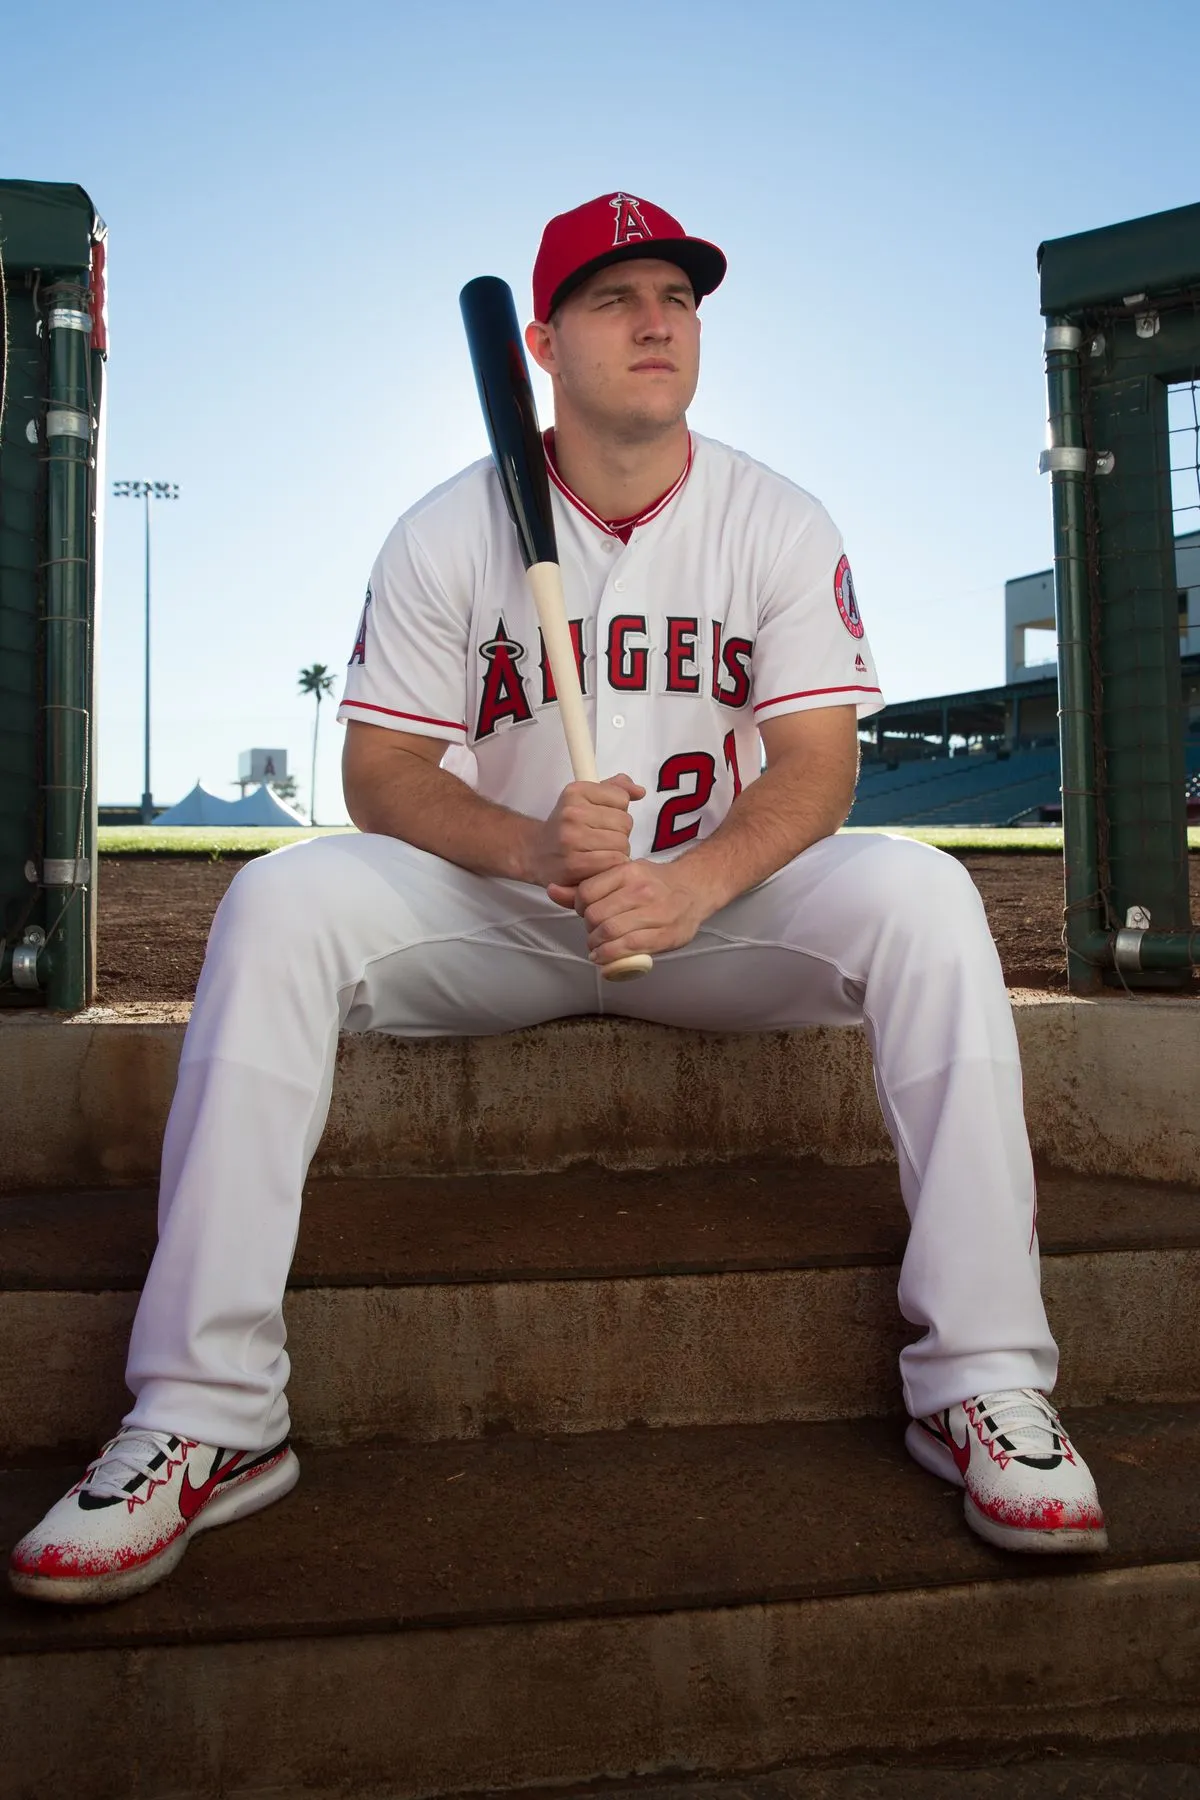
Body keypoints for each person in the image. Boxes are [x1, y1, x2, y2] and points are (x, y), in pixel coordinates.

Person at [9, 191, 1106, 1607]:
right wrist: (529, 847)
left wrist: (693, 882)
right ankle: (207, 1411)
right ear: (542, 342)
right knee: (280, 903)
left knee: (925, 896)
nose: (658, 321)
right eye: (614, 298)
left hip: (715, 920)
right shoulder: (446, 527)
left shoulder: (774, 517)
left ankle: (984, 1383)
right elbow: (379, 772)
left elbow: (820, 767)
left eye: (679, 298)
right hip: (502, 921)